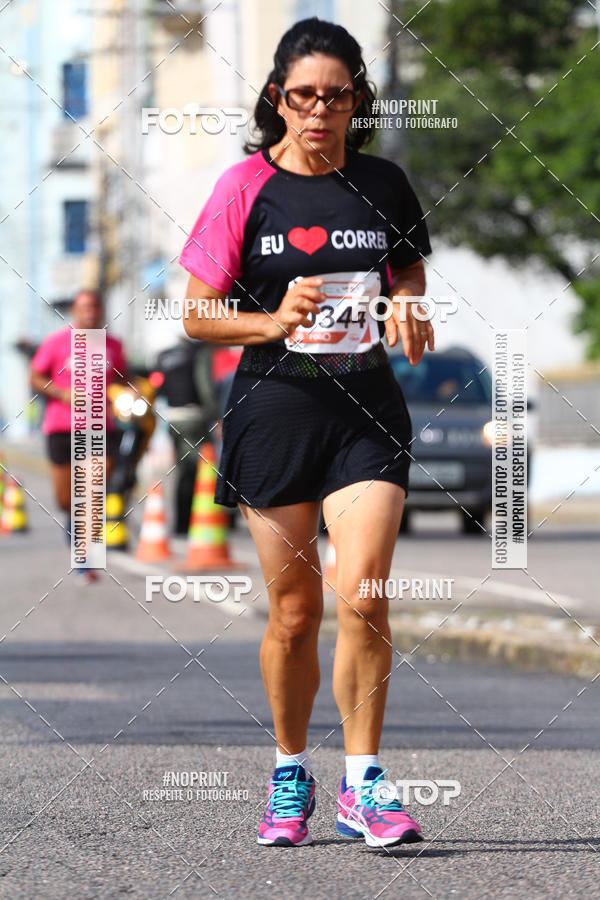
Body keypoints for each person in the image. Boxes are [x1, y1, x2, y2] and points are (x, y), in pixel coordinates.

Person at [179, 17, 434, 849]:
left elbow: (407, 266)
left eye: (336, 95)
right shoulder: (242, 189)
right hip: (274, 410)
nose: (320, 111)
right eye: (303, 96)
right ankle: (291, 769)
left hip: (365, 409)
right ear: (277, 99)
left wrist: (407, 303)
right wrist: (271, 319)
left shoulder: (383, 182)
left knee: (363, 593)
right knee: (294, 614)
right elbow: (196, 315)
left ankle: (365, 782)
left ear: (357, 100)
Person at [30, 289, 127, 583]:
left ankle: (85, 557)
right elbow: (35, 377)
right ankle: (73, 523)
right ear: (74, 310)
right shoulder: (56, 342)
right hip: (61, 427)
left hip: (101, 426)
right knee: (66, 499)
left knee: (93, 490)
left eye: (94, 306)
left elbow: (124, 379)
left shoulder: (113, 345)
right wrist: (62, 394)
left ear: (100, 310)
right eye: (84, 306)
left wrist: (131, 393)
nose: (89, 311)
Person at [156, 336, 220, 534]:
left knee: (184, 468)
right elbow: (204, 385)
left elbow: (158, 387)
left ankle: (183, 522)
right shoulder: (198, 353)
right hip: (194, 417)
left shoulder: (165, 355)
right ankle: (186, 523)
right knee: (194, 469)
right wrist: (217, 415)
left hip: (173, 417)